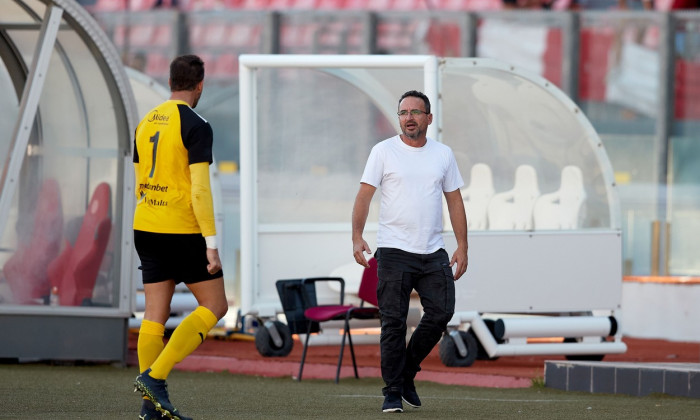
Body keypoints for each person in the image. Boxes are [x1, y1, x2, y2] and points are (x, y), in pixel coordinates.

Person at [351, 90, 469, 413]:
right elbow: (364, 196)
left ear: (429, 118)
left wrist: (463, 245)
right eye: (403, 112)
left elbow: (454, 200)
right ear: (398, 117)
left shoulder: (443, 154)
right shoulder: (383, 152)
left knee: (442, 311)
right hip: (393, 251)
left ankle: (406, 372)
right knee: (393, 323)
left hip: (433, 252)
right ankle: (392, 391)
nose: (409, 118)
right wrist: (357, 236)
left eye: (416, 112)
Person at [131, 54, 228, 420]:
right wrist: (211, 244)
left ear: (171, 81)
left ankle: (149, 409)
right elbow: (200, 191)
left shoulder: (145, 121)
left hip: (146, 225)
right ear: (199, 84)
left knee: (154, 313)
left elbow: (140, 180)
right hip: (181, 229)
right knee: (216, 306)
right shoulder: (197, 124)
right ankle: (154, 378)